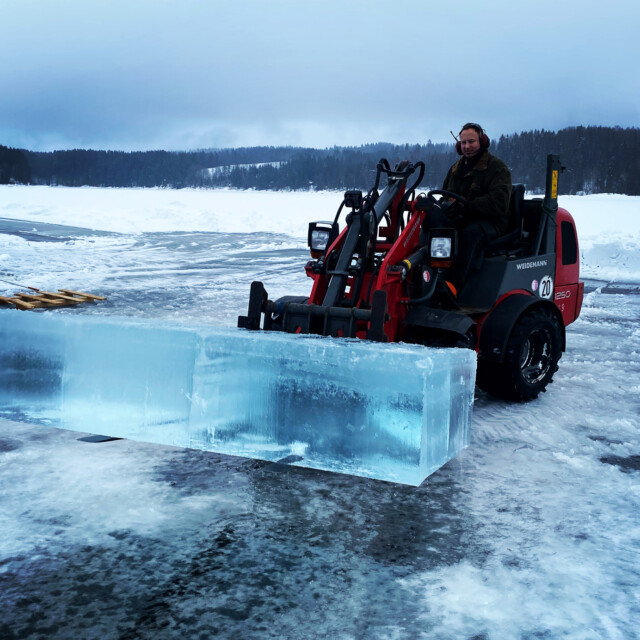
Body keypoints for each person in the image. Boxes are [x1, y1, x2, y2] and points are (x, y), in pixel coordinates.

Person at [425, 122, 512, 296]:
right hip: (463, 216)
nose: (467, 146)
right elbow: (445, 194)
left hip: (491, 221)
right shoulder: (455, 169)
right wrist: (444, 206)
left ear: (482, 141)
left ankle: (452, 285)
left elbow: (499, 202)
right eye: (463, 143)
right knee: (432, 223)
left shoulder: (497, 168)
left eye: (471, 142)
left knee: (470, 234)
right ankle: (424, 276)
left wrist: (467, 205)